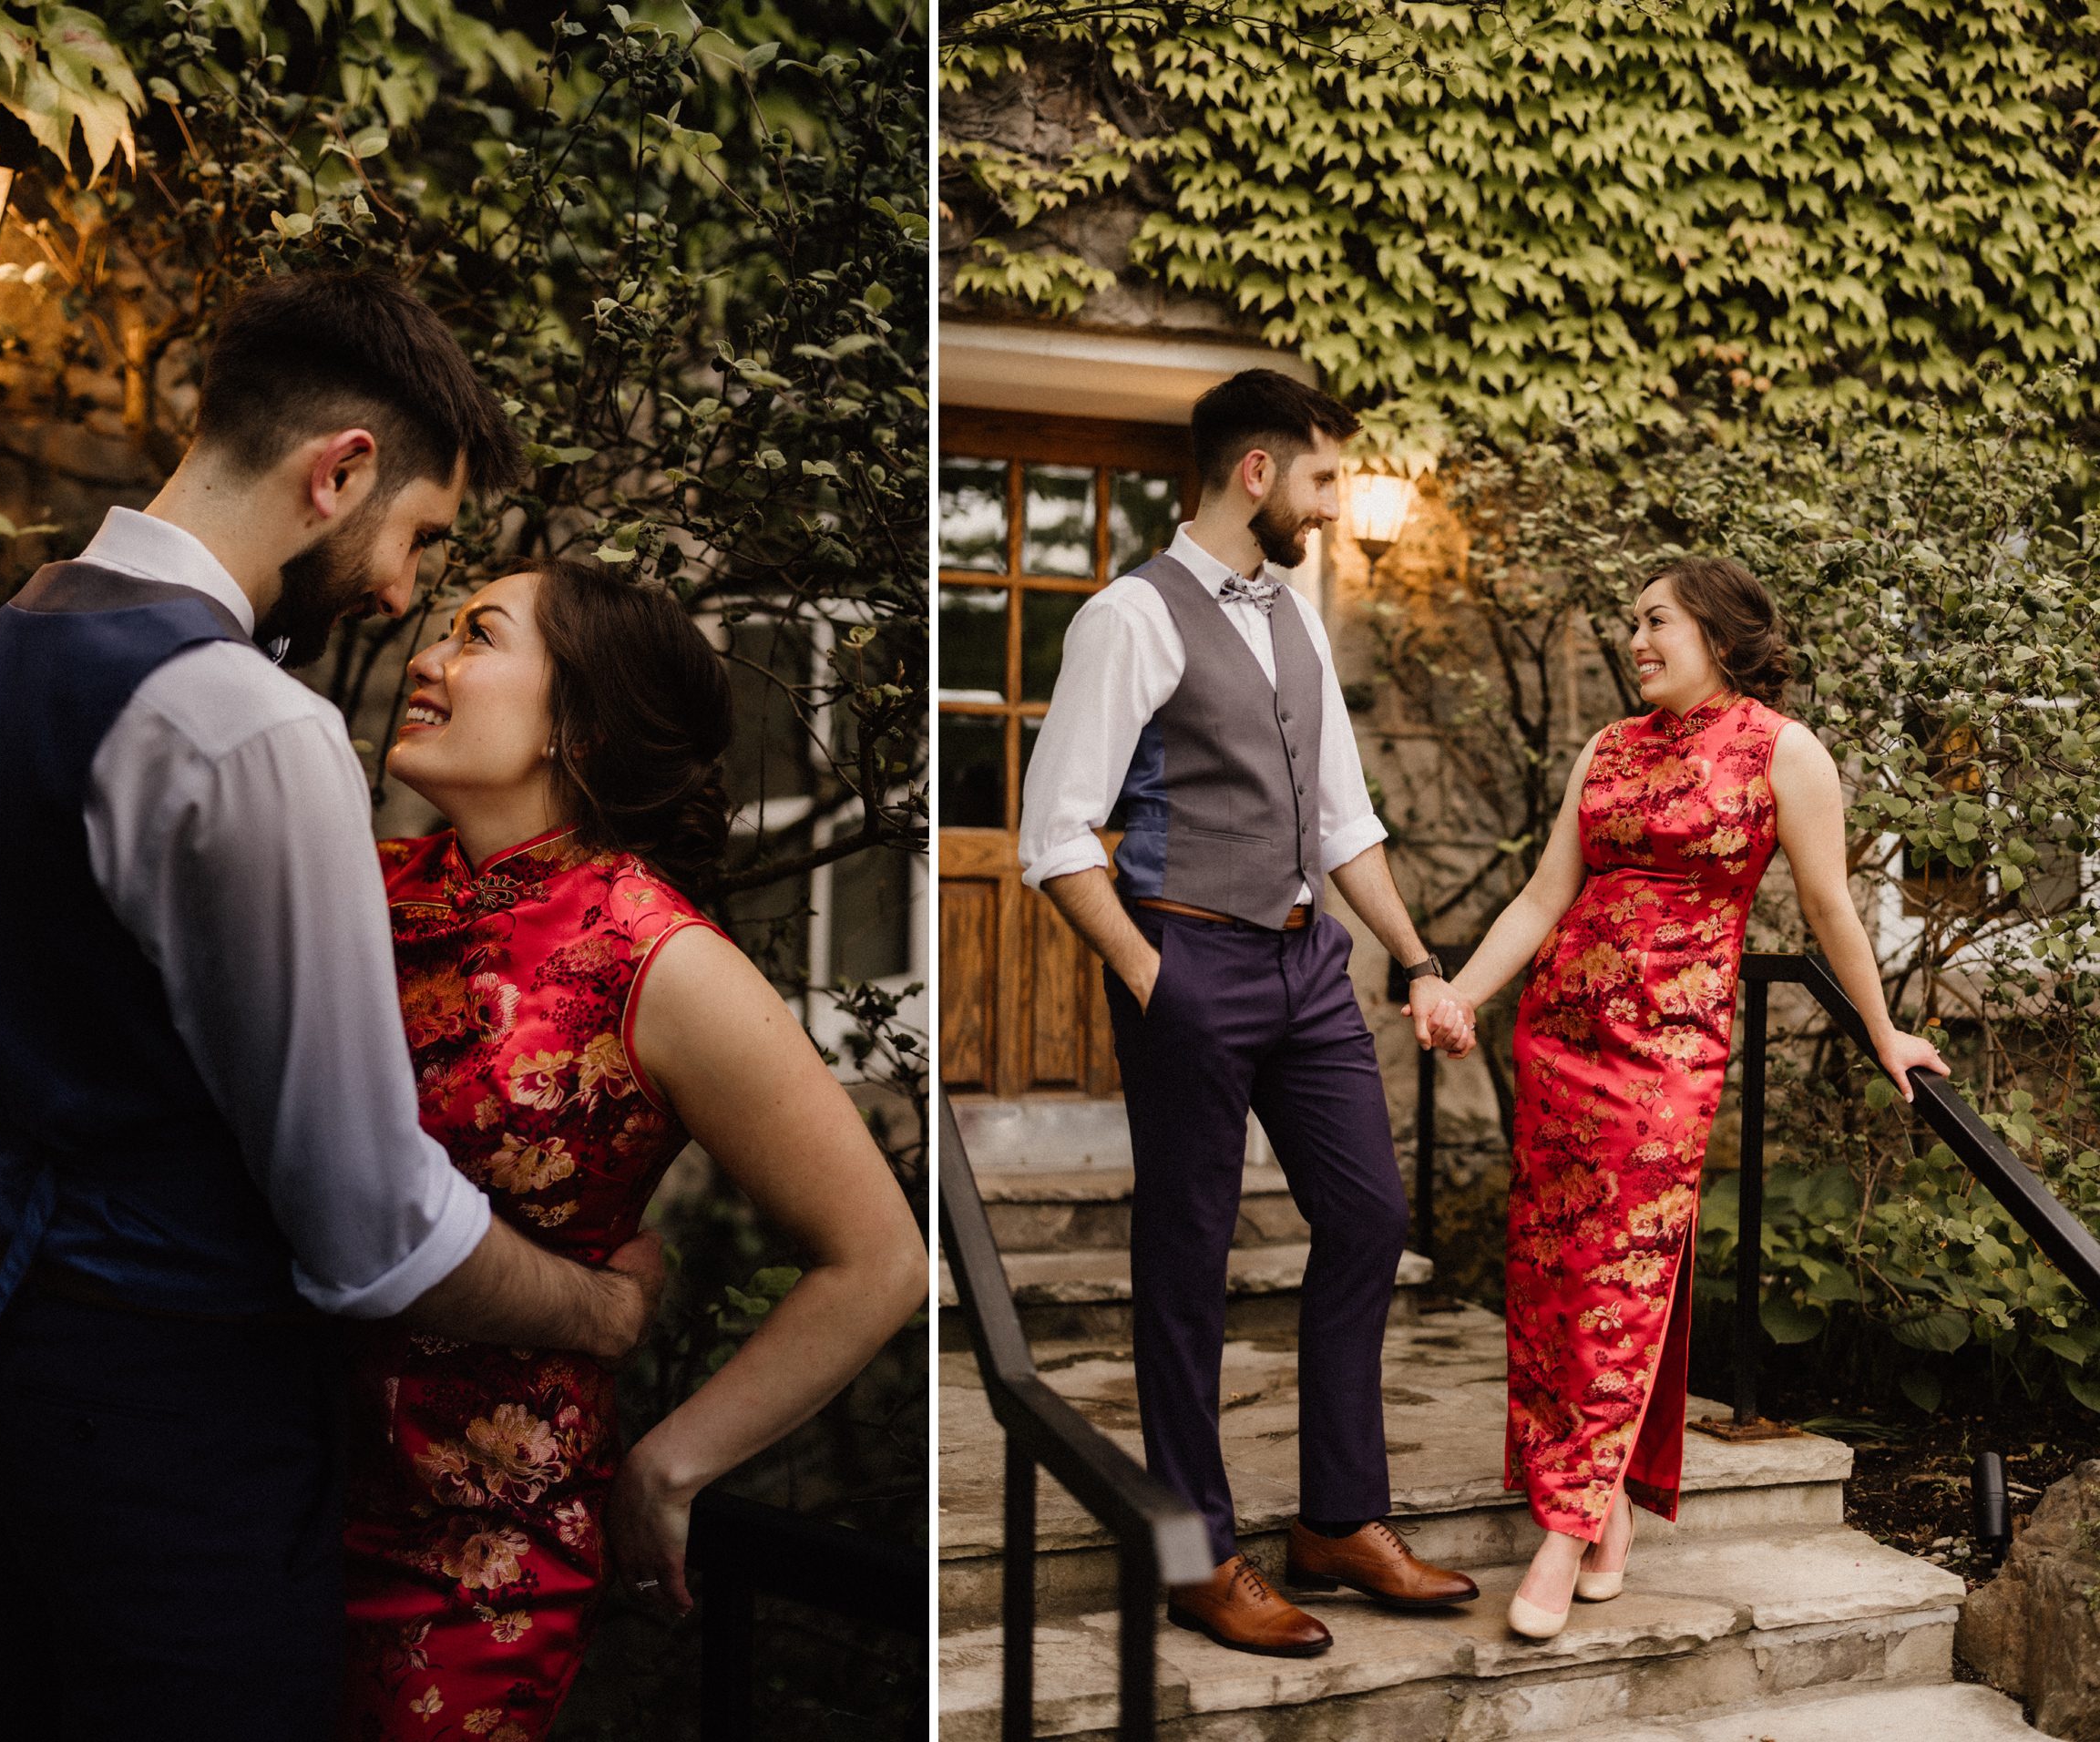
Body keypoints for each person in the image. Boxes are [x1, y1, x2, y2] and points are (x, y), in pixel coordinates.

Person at [0, 272, 672, 1740]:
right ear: (342, 472)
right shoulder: (247, 724)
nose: (400, 595)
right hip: (174, 1408)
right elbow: (367, 1224)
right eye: (419, 539)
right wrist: (602, 1309)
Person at [335, 560, 925, 1736]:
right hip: (260, 1492)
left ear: (581, 725)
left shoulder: (656, 956)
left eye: (479, 637)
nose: (428, 660)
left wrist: (672, 1463)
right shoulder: (365, 889)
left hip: (471, 1558)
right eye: (442, 633)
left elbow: (880, 1260)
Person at [1019, 368, 1480, 1661]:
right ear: (1259, 474)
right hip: (1190, 963)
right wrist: (1151, 973)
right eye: (1328, 478)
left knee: (1371, 1215)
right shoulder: (1128, 616)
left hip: (1306, 968)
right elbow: (1054, 833)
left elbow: (1344, 820)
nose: (1337, 506)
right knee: (1187, 1263)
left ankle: (1338, 1520)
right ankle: (1194, 1551)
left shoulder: (1293, 618)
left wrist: (1416, 959)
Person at [1420, 557, 1949, 1639]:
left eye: (1655, 620)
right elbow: (1541, 894)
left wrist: (1881, 1027)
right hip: (1559, 1041)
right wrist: (1461, 995)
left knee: (1619, 1278)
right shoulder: (1606, 748)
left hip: (1666, 1056)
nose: (1636, 640)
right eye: (1631, 623)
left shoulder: (1779, 750)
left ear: (1716, 628)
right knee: (1554, 1278)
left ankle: (1561, 1533)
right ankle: (1602, 1504)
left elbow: (1826, 903)